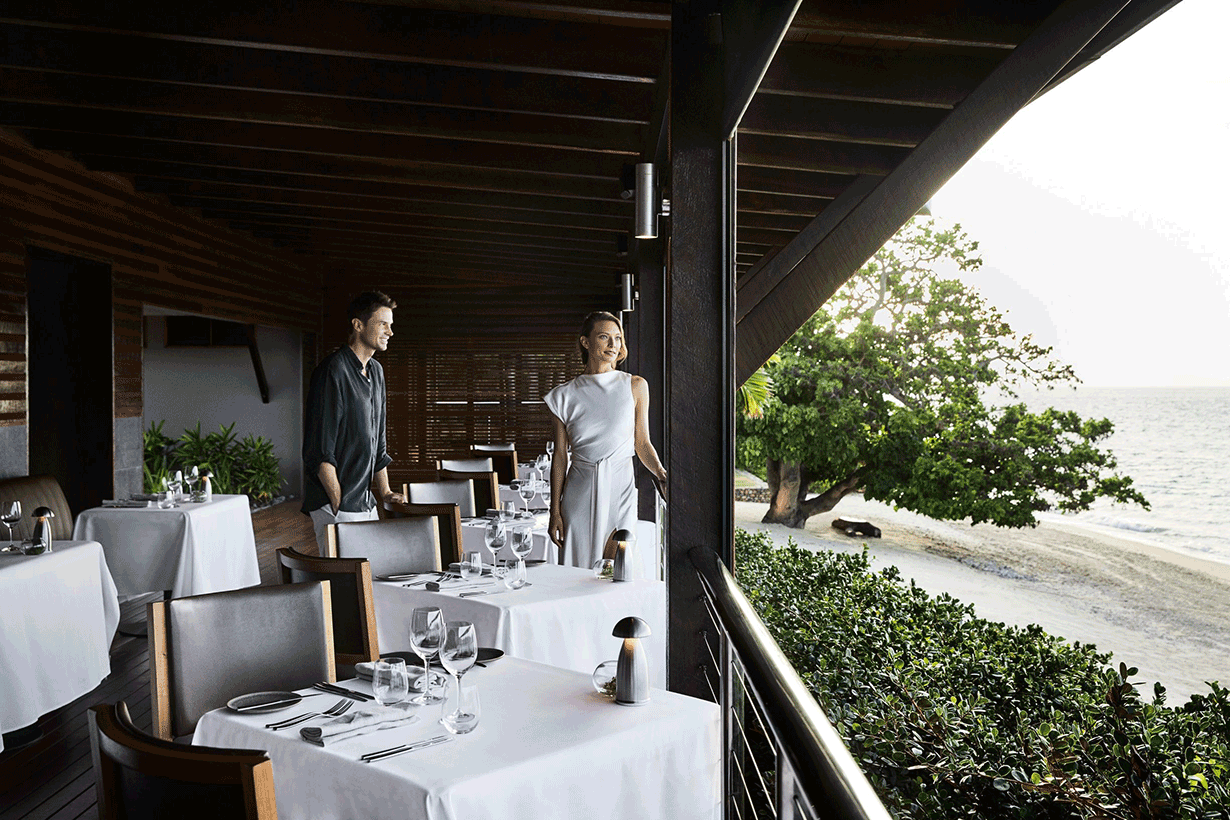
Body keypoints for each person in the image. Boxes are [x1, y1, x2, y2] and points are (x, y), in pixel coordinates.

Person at [544, 311, 666, 569]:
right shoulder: (562, 396)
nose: (613, 345)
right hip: (579, 491)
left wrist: (660, 472)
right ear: (585, 342)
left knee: (617, 568)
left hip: (621, 488)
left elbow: (642, 443)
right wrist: (555, 511)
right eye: (604, 337)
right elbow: (560, 457)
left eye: (618, 338)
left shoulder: (635, 386)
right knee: (578, 570)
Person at [301, 291, 406, 551]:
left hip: (366, 504)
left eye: (391, 325)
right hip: (339, 506)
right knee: (345, 576)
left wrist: (385, 492)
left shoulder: (376, 372)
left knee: (371, 573)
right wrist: (338, 502)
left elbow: (377, 441)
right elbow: (319, 449)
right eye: (383, 324)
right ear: (358, 325)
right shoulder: (332, 371)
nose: (390, 332)